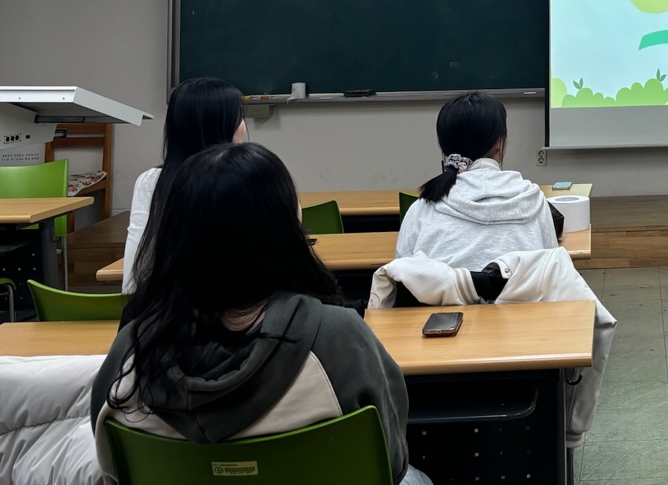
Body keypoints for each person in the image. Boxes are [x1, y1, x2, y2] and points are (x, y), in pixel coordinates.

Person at [92, 144, 429, 485]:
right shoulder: (338, 338)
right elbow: (391, 460)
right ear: (285, 226)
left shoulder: (130, 353)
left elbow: (111, 468)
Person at [395, 91, 560, 267]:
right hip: (520, 287)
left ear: (444, 146)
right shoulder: (534, 200)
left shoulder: (422, 208)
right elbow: (553, 269)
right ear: (499, 144)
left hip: (443, 287)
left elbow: (401, 271)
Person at [123, 77, 246, 293]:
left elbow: (134, 271)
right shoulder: (246, 178)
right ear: (220, 126)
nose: (244, 126)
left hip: (162, 308)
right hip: (230, 307)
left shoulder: (151, 181)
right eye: (240, 118)